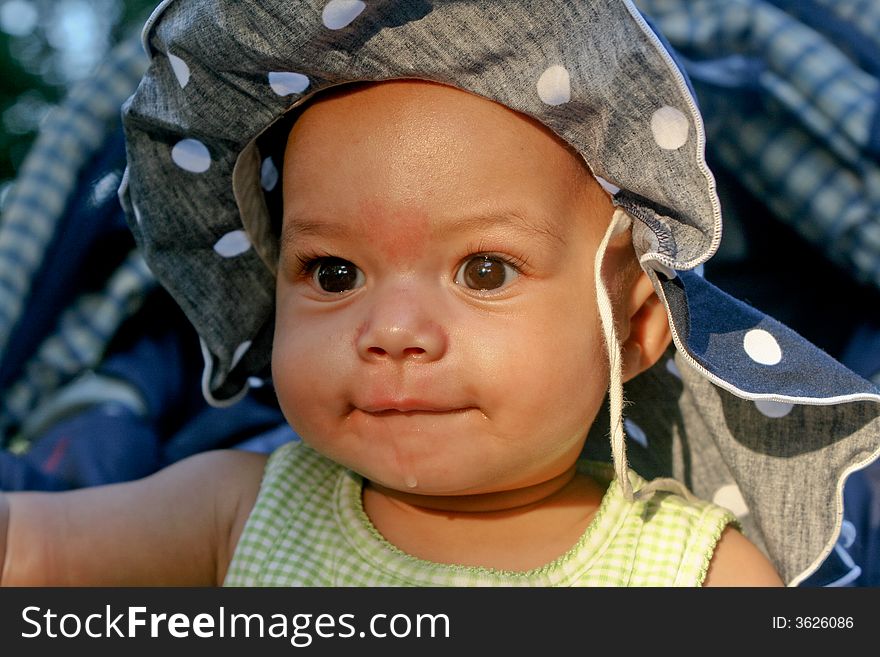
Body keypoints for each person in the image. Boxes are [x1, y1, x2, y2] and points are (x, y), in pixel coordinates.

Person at [1, 0, 878, 587]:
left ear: (637, 326)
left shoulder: (696, 571)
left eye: (484, 271)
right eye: (334, 273)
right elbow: (29, 549)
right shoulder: (231, 507)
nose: (392, 331)